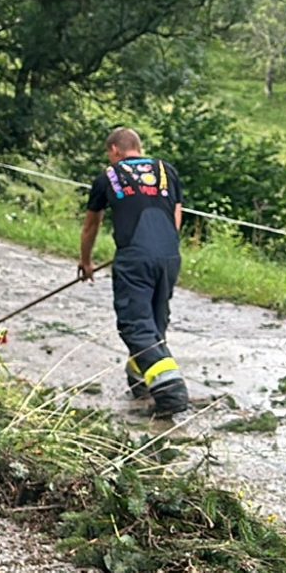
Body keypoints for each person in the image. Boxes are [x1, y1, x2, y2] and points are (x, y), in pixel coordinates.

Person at [79, 125, 191, 418]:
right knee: (155, 320)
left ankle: (171, 389)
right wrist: (160, 248)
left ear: (115, 150)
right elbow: (175, 215)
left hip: (134, 258)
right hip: (168, 254)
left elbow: (92, 224)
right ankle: (140, 378)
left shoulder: (109, 175)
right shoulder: (167, 170)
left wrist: (86, 262)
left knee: (135, 324)